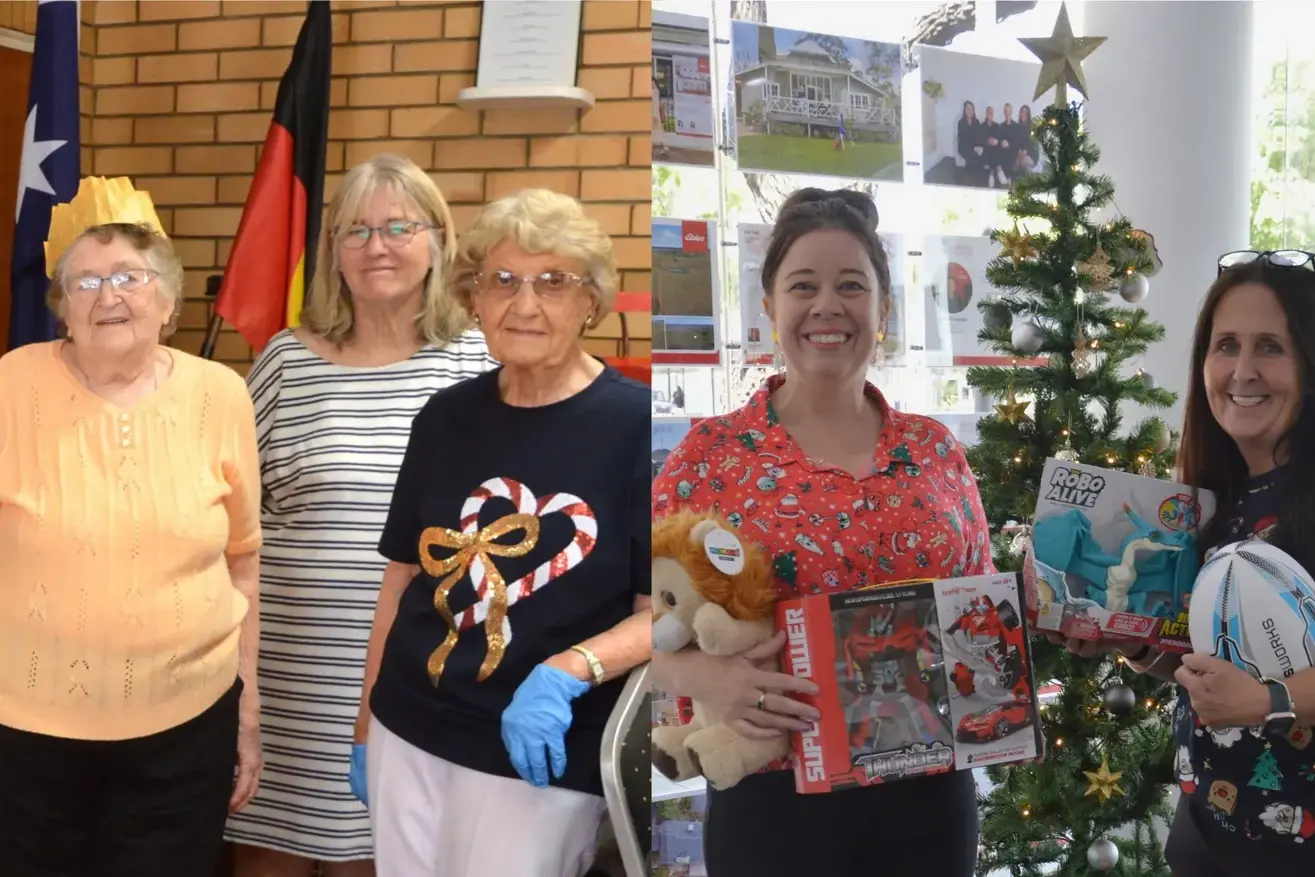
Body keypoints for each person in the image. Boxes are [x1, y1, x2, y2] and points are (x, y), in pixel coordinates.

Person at [651, 188, 995, 877]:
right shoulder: (710, 456)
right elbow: (631, 613)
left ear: (883, 310)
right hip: (774, 798)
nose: (826, 306)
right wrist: (696, 673)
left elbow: (978, 604)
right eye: (802, 286)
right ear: (770, 306)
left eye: (851, 286)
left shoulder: (934, 452)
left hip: (927, 797)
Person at [353, 188, 652, 876]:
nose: (525, 304)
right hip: (409, 727)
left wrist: (567, 671)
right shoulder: (444, 417)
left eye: (554, 282)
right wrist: (367, 724)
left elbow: (662, 610)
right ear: (473, 298)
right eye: (503, 281)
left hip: (537, 753)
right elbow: (402, 576)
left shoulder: (637, 427)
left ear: (591, 301)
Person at [223, 154, 498, 876]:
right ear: (333, 251)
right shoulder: (286, 361)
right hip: (282, 684)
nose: (377, 246)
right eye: (356, 230)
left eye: (398, 226)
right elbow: (229, 514)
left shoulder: (477, 364)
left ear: (437, 239)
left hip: (411, 684)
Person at [0, 177, 262, 876]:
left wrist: (248, 707)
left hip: (185, 727)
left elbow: (243, 559)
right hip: (26, 733)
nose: (108, 296)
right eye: (84, 281)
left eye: (129, 276)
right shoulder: (10, 386)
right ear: (60, 306)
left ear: (169, 299)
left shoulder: (221, 394)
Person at [1056, 251, 1315, 876]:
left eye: (1270, 347)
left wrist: (1266, 700)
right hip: (1206, 833)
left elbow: (1252, 693)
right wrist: (1132, 643)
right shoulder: (1207, 502)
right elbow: (1212, 672)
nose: (1243, 371)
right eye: (1225, 345)